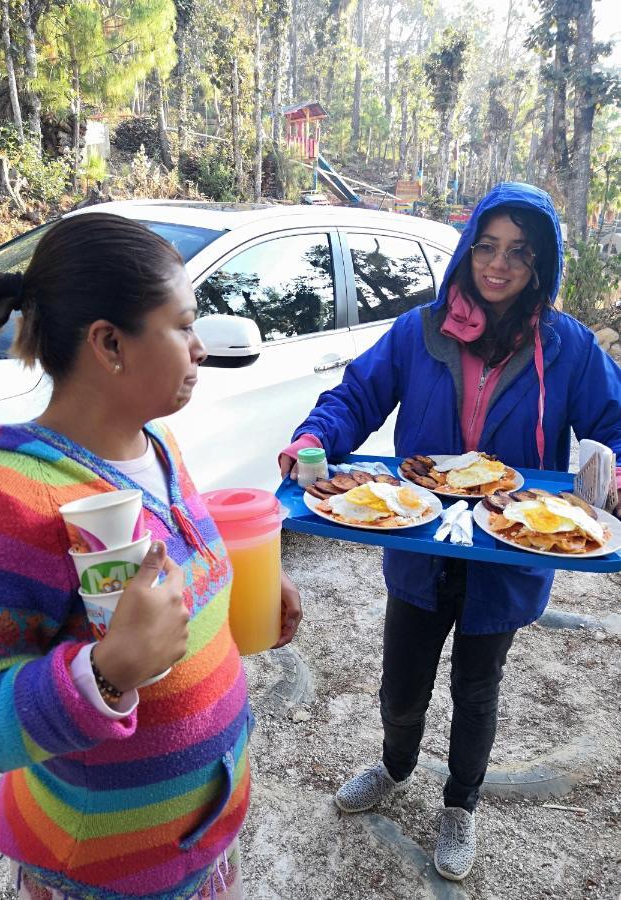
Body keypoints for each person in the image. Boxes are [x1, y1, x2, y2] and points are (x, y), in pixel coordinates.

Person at [0, 213, 302, 900]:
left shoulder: (154, 448)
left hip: (195, 850)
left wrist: (240, 584)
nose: (198, 348)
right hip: (99, 880)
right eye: (183, 324)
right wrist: (105, 675)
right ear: (109, 344)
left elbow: (177, 567)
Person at [279, 182, 621, 882]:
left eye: (518, 254)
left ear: (540, 265)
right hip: (419, 540)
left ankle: (459, 803)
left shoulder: (568, 348)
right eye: (487, 247)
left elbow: (612, 426)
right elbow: (355, 396)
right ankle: (396, 763)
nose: (498, 266)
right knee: (401, 680)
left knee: (477, 685)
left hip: (509, 545)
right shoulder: (419, 330)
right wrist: (314, 436)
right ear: (467, 250)